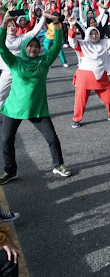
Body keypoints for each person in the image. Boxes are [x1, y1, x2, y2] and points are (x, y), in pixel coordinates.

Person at [0, 13, 71, 184]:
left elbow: (56, 46)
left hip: (37, 109)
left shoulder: (44, 61)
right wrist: (5, 22)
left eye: (36, 46)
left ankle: (58, 164)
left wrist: (57, 24)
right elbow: (1, 47)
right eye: (30, 46)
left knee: (52, 138)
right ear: (24, 47)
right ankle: (10, 171)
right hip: (13, 108)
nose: (33, 49)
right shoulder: (15, 62)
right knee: (6, 140)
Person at [68, 22, 110, 128]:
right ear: (87, 35)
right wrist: (72, 27)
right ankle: (76, 119)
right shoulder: (82, 44)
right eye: (91, 34)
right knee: (80, 100)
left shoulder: (105, 42)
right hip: (84, 77)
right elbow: (72, 42)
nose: (94, 36)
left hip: (101, 76)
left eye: (96, 33)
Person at [0, 13, 46, 109]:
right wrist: (5, 16)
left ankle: (32, 112)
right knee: (1, 94)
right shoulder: (2, 39)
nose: (11, 28)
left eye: (13, 26)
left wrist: (44, 17)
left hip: (17, 71)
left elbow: (35, 31)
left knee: (25, 94)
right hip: (6, 71)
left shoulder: (21, 38)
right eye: (8, 26)